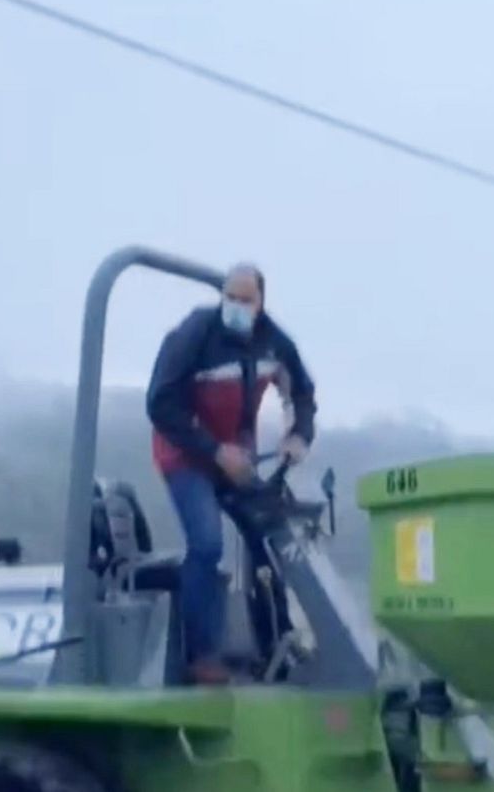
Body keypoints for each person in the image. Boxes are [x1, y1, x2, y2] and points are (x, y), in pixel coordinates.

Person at [145, 262, 317, 685]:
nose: (237, 306)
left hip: (236, 458)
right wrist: (213, 450)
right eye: (230, 298)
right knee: (206, 544)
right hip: (186, 453)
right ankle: (200, 656)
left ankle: (275, 643)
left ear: (261, 303)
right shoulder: (194, 335)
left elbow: (303, 394)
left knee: (271, 537)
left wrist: (298, 437)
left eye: (246, 299)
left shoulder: (275, 345)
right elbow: (160, 403)